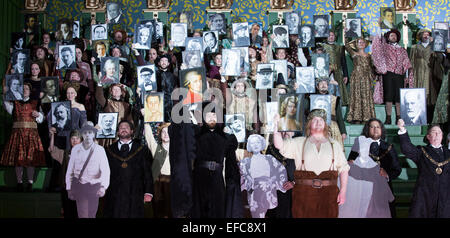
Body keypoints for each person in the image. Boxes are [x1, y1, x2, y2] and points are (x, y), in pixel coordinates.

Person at [273, 109, 349, 218]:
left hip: (328, 195)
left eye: (321, 120)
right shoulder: (300, 142)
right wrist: (276, 126)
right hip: (304, 195)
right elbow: (279, 145)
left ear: (325, 124)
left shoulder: (334, 144)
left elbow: (344, 169)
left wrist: (343, 191)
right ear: (309, 124)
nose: (318, 123)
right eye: (315, 120)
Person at [191, 103, 241, 218]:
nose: (212, 118)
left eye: (214, 115)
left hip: (217, 178)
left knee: (218, 210)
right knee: (199, 210)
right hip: (199, 178)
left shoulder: (227, 138)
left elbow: (231, 162)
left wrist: (232, 182)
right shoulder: (196, 135)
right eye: (208, 115)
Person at [348, 118, 402, 217]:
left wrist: (387, 174)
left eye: (377, 127)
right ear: (367, 130)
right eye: (372, 127)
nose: (375, 129)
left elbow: (397, 169)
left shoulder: (389, 147)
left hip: (382, 188)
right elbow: (350, 164)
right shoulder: (359, 145)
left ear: (381, 130)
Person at [397, 120, 450, 218]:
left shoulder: (448, 153)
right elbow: (407, 148)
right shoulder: (421, 151)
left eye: (439, 132)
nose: (437, 134)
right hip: (425, 197)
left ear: (443, 136)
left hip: (445, 198)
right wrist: (402, 129)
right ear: (428, 136)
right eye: (434, 132)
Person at [0, 83, 46, 192]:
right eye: (23, 89)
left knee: (31, 159)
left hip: (31, 135)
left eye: (26, 89)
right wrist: (5, 93)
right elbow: (6, 106)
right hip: (18, 134)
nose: (25, 90)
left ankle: (30, 182)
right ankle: (19, 182)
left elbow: (42, 118)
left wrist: (38, 115)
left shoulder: (35, 103)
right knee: (18, 159)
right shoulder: (15, 103)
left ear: (30, 91)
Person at [103, 120, 153, 218]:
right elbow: (104, 172)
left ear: (132, 131)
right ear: (117, 132)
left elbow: (147, 172)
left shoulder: (142, 149)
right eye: (121, 128)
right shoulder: (109, 150)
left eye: (126, 127)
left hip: (135, 193)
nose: (124, 129)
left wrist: (148, 191)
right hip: (115, 193)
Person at [338, 135, 395, 218]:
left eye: (366, 148)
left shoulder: (376, 167)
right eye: (362, 148)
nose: (364, 150)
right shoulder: (350, 167)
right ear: (358, 150)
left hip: (373, 203)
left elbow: (383, 186)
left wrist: (389, 196)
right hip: (357, 201)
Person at [66, 121, 110, 218]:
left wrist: (103, 187)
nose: (88, 135)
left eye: (90, 133)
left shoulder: (100, 150)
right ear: (82, 135)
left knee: (92, 214)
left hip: (94, 187)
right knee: (82, 214)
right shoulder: (75, 149)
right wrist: (69, 188)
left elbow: (106, 170)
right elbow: (70, 170)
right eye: (85, 133)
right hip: (80, 186)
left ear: (94, 134)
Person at [371, 28, 414, 124]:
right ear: (388, 37)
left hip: (399, 74)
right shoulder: (385, 47)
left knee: (398, 97)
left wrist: (406, 75)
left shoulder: (402, 49)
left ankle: (398, 117)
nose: (393, 37)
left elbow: (406, 63)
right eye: (391, 36)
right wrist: (378, 29)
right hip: (388, 74)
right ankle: (388, 117)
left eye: (394, 36)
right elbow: (377, 48)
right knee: (389, 96)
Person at [239, 134, 287, 218]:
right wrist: (247, 181)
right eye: (253, 143)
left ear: (261, 144)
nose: (256, 145)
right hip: (254, 192)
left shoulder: (270, 158)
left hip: (268, 191)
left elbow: (280, 170)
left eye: (258, 142)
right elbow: (240, 176)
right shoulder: (245, 162)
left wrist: (272, 180)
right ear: (249, 146)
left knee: (269, 214)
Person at [49, 129, 81, 218]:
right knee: (68, 211)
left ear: (81, 140)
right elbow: (52, 150)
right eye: (72, 138)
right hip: (67, 189)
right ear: (70, 141)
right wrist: (52, 135)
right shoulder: (65, 153)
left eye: (77, 138)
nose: (74, 141)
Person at [345, 37, 376, 124]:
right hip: (357, 77)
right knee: (356, 96)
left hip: (366, 78)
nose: (361, 44)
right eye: (359, 42)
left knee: (366, 96)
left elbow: (372, 67)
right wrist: (346, 34)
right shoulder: (354, 54)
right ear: (356, 44)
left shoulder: (369, 56)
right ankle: (356, 117)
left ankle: (367, 117)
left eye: (363, 42)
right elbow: (347, 46)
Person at [144, 122, 171, 218]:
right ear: (160, 135)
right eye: (163, 132)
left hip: (172, 185)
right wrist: (146, 121)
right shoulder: (157, 149)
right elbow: (149, 137)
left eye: (168, 132)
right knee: (158, 211)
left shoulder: (178, 150)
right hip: (159, 185)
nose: (166, 134)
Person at [321, 31, 349, 105]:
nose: (331, 37)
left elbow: (343, 62)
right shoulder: (322, 46)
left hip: (338, 72)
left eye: (332, 35)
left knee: (338, 91)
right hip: (326, 72)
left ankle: (337, 106)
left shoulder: (340, 47)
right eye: (329, 35)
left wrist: (346, 74)